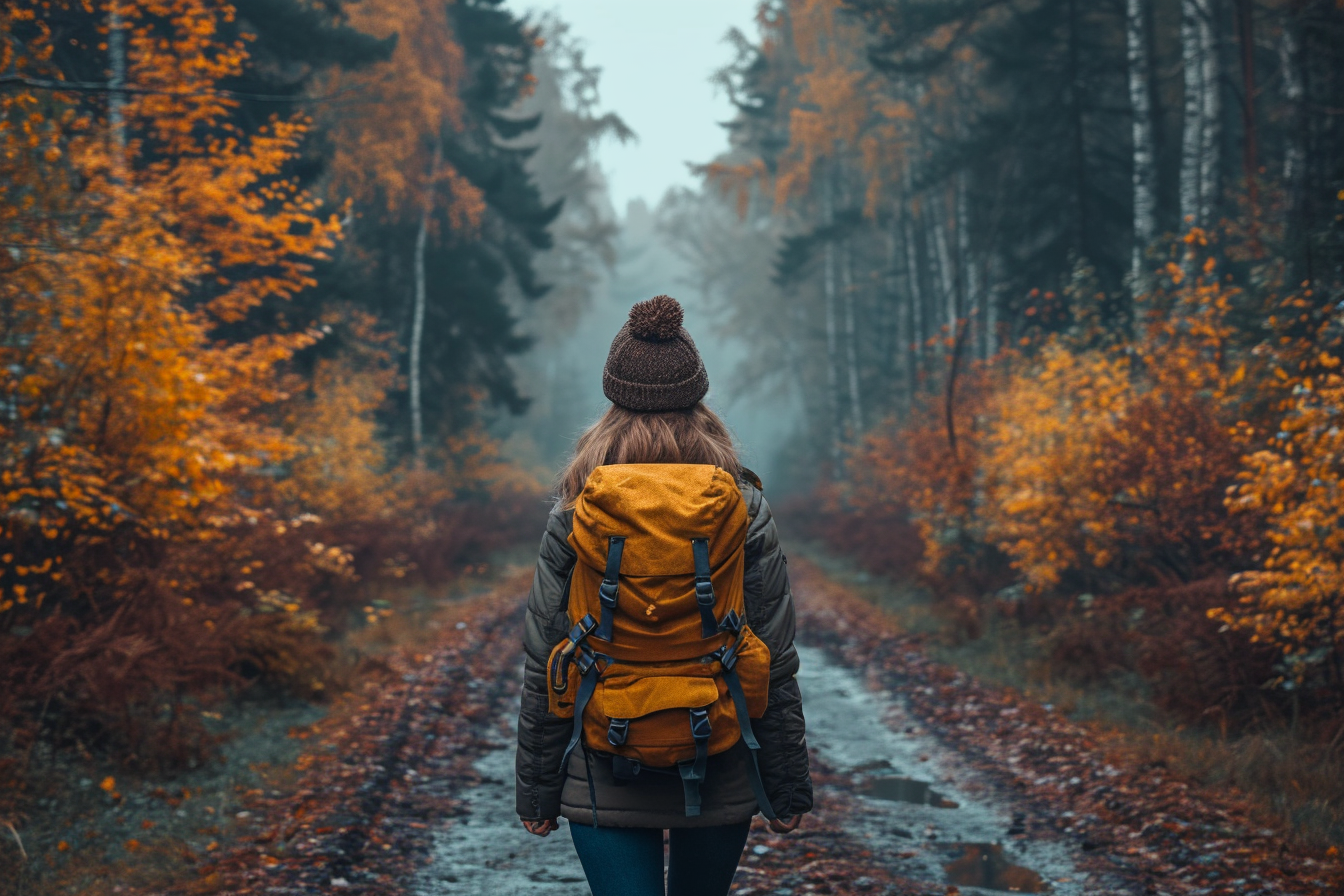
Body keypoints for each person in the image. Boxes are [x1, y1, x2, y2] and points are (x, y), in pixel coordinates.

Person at [514, 295, 812, 896]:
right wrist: (784, 788)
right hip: (722, 752)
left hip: (602, 763)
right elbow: (774, 657)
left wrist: (539, 789)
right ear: (698, 400)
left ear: (612, 404)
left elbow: (545, 656)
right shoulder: (743, 507)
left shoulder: (577, 511)